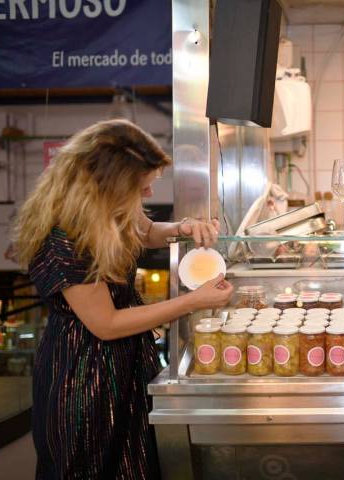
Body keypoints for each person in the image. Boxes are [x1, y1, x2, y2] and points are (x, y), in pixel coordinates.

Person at [14, 119, 234, 479]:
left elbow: (144, 231)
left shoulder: (105, 209)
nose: (148, 196)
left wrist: (180, 229)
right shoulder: (64, 238)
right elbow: (106, 324)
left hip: (125, 363)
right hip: (86, 376)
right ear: (107, 185)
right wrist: (191, 302)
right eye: (141, 187)